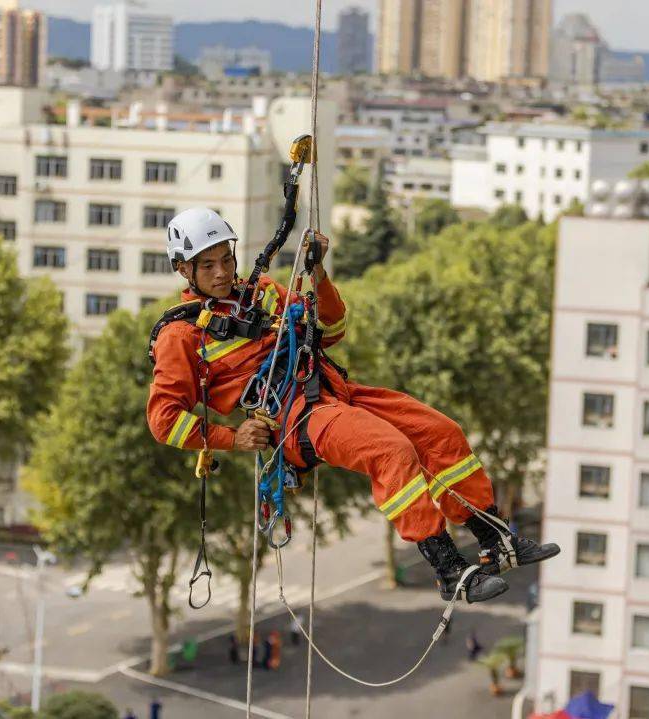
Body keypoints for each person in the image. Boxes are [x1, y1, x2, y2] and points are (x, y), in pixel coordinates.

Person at [147, 208, 560, 604]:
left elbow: (331, 330)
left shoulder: (262, 293)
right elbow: (163, 420)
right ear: (184, 270)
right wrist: (231, 438)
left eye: (226, 259)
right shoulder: (181, 335)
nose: (221, 272)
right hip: (296, 419)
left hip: (332, 390)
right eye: (207, 266)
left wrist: (319, 275)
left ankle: (495, 541)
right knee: (392, 451)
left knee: (440, 433)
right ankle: (449, 571)